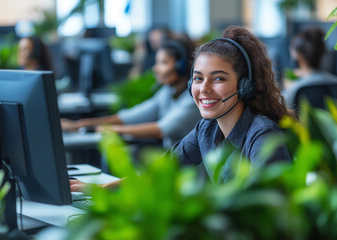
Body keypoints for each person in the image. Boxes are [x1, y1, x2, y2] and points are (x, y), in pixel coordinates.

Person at [70, 25, 295, 191]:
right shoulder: (206, 130)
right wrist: (97, 188)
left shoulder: (263, 136)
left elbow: (266, 214)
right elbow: (160, 172)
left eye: (218, 79)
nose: (204, 89)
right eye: (198, 79)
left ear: (245, 86)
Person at [62, 37, 201, 149]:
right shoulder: (168, 92)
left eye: (163, 63)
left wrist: (113, 130)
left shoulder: (192, 99)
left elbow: (161, 129)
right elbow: (128, 117)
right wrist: (79, 124)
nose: (155, 69)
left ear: (181, 66)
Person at [283, 27, 337, 107]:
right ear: (323, 53)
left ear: (297, 55)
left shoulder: (296, 88)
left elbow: (281, 111)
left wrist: (288, 88)